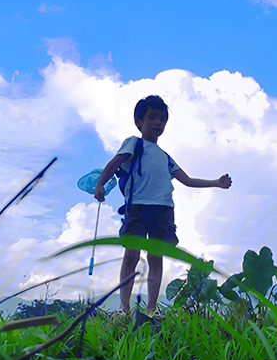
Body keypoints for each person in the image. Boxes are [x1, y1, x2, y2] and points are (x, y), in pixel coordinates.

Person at [94, 95, 232, 317]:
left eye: (162, 119)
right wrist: (100, 183)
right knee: (131, 255)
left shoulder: (165, 157)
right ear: (139, 121)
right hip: (138, 206)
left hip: (163, 209)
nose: (158, 123)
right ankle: (124, 307)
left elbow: (187, 180)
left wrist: (216, 183)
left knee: (155, 256)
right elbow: (115, 162)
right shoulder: (134, 143)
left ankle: (151, 308)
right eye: (153, 117)